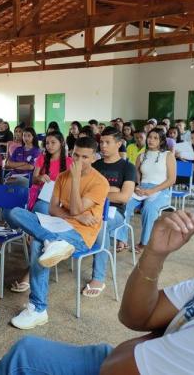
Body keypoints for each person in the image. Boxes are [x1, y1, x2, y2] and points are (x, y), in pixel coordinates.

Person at [0, 205, 194, 375]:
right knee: (26, 350)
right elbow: (135, 317)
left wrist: (154, 339)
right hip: (136, 357)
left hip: (124, 363)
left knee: (24, 360)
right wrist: (154, 254)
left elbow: (113, 370)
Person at [4, 137, 109, 328]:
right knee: (15, 212)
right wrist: (75, 216)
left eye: (85, 157)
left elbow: (76, 210)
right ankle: (52, 241)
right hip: (57, 225)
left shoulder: (100, 183)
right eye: (75, 155)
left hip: (81, 235)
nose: (78, 160)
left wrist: (76, 181)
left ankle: (38, 309)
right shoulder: (62, 176)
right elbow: (53, 209)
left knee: (37, 243)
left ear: (94, 158)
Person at [9, 131, 72, 294]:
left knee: (42, 213)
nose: (49, 146)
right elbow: (34, 179)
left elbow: (72, 186)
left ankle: (29, 273)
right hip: (41, 194)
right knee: (12, 213)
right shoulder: (42, 158)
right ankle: (48, 239)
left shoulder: (70, 162)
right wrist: (41, 178)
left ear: (61, 143)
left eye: (53, 143)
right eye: (48, 143)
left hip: (59, 202)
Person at [83, 127, 136, 297]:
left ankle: (98, 278)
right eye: (101, 142)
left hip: (115, 212)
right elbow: (83, 191)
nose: (103, 146)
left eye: (108, 142)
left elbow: (124, 197)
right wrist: (111, 190)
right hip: (92, 208)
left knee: (100, 225)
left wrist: (100, 193)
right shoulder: (96, 165)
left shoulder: (128, 167)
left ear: (119, 144)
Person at [124, 128, 176, 252]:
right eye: (150, 137)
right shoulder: (142, 155)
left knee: (149, 208)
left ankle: (145, 243)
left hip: (161, 189)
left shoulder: (168, 155)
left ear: (162, 141)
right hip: (142, 189)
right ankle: (121, 240)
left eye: (155, 138)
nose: (151, 140)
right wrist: (137, 185)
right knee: (124, 203)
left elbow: (172, 179)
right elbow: (135, 172)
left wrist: (152, 191)